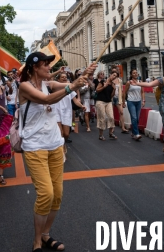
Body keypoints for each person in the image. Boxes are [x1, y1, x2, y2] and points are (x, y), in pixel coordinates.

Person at [18, 52, 96, 252]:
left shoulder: (49, 83)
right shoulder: (25, 86)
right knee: (46, 194)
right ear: (35, 67)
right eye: (46, 65)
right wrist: (72, 86)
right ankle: (36, 240)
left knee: (57, 195)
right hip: (35, 147)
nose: (49, 68)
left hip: (55, 144)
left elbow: (71, 85)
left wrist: (83, 76)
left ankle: (46, 234)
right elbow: (47, 100)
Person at [54, 72, 82, 155]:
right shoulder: (54, 88)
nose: (64, 78)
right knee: (60, 133)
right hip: (56, 112)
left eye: (65, 77)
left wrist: (81, 106)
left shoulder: (70, 89)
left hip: (67, 112)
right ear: (58, 79)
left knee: (66, 134)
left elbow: (75, 100)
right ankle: (61, 149)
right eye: (62, 77)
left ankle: (64, 142)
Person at [94, 71, 118, 141]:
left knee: (111, 117)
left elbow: (111, 96)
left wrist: (114, 89)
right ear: (110, 75)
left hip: (108, 102)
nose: (114, 77)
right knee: (102, 118)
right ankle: (101, 135)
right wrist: (104, 86)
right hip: (100, 101)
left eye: (115, 76)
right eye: (113, 75)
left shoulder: (113, 84)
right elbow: (97, 90)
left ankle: (111, 133)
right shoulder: (103, 81)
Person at [122, 69, 145, 141]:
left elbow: (142, 92)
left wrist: (143, 100)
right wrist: (123, 102)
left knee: (137, 118)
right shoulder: (129, 83)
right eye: (133, 73)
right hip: (131, 101)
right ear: (131, 75)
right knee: (134, 117)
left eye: (136, 73)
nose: (135, 74)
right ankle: (136, 134)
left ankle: (133, 132)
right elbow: (124, 93)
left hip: (138, 102)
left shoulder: (140, 82)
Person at [111, 68, 127, 134]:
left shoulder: (120, 81)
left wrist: (123, 101)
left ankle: (123, 127)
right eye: (113, 72)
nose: (115, 73)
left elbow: (122, 91)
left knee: (121, 112)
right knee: (111, 114)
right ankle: (112, 127)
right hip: (111, 98)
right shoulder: (110, 80)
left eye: (116, 72)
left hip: (118, 98)